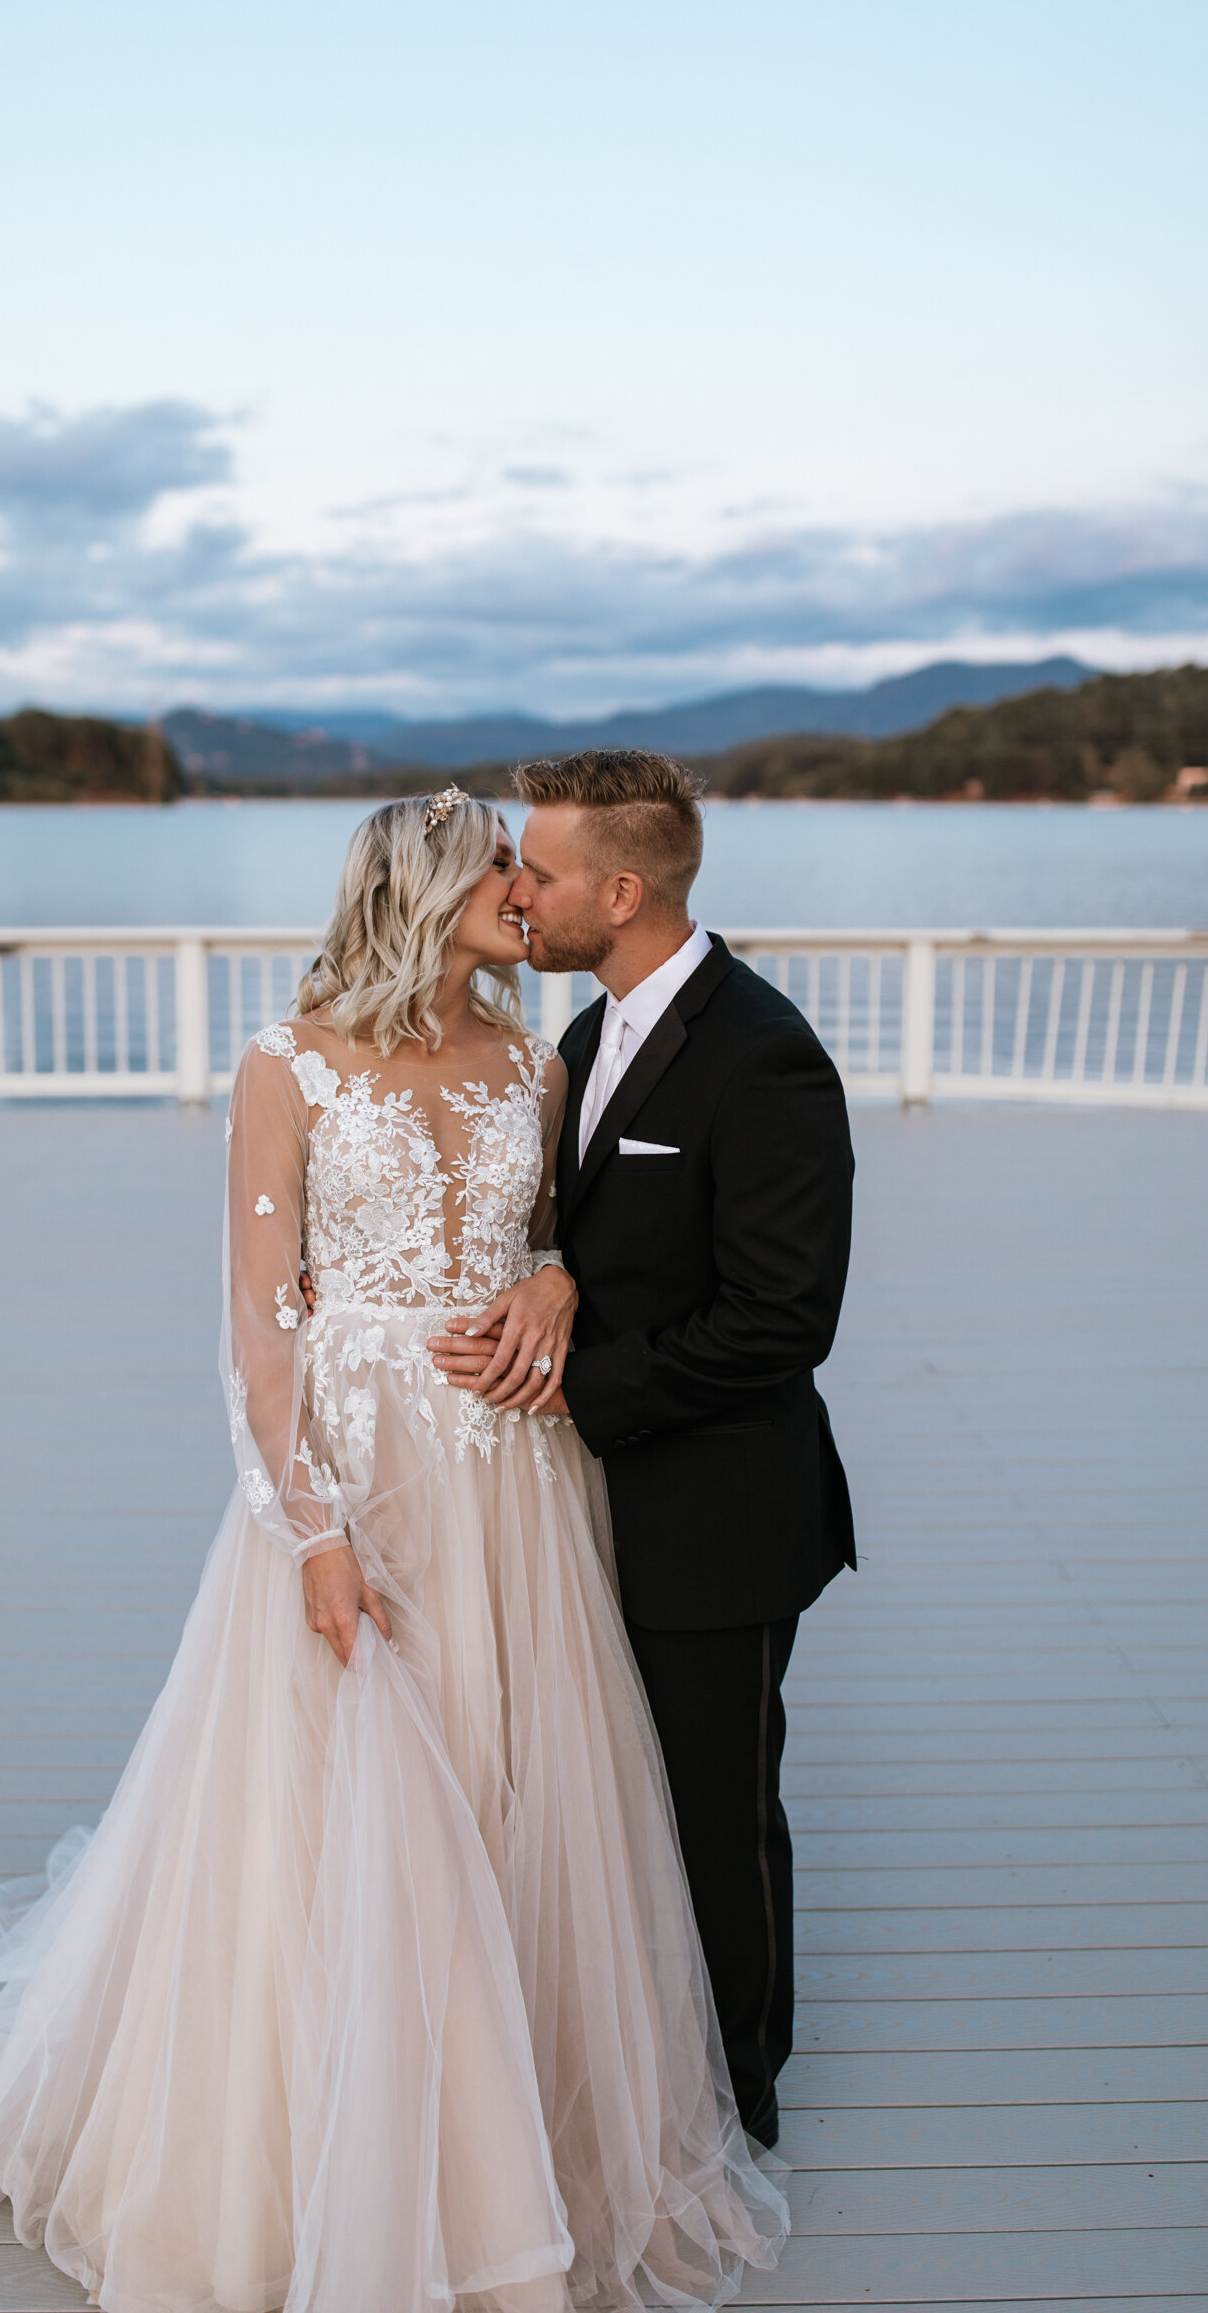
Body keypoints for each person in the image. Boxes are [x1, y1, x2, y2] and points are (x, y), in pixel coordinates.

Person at [0, 789, 787, 2313]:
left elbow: (545, 1245)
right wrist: (312, 1536)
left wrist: (550, 1292)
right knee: (342, 1816)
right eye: (496, 866)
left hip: (513, 1481)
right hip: (353, 1471)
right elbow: (257, 1332)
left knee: (504, 1790)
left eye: (526, 870)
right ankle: (335, 2155)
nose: (519, 890)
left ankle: (501, 2154)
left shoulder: (528, 1066)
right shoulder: (284, 1066)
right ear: (421, 888)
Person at [428, 750, 855, 2152]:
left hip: (718, 1509)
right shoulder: (581, 1037)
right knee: (610, 1794)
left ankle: (738, 2095)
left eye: (538, 873)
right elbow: (592, 1226)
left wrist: (581, 1387)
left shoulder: (765, 1053)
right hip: (587, 1503)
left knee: (713, 1809)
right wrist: (552, 1276)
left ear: (620, 891)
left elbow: (783, 1321)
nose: (518, 893)